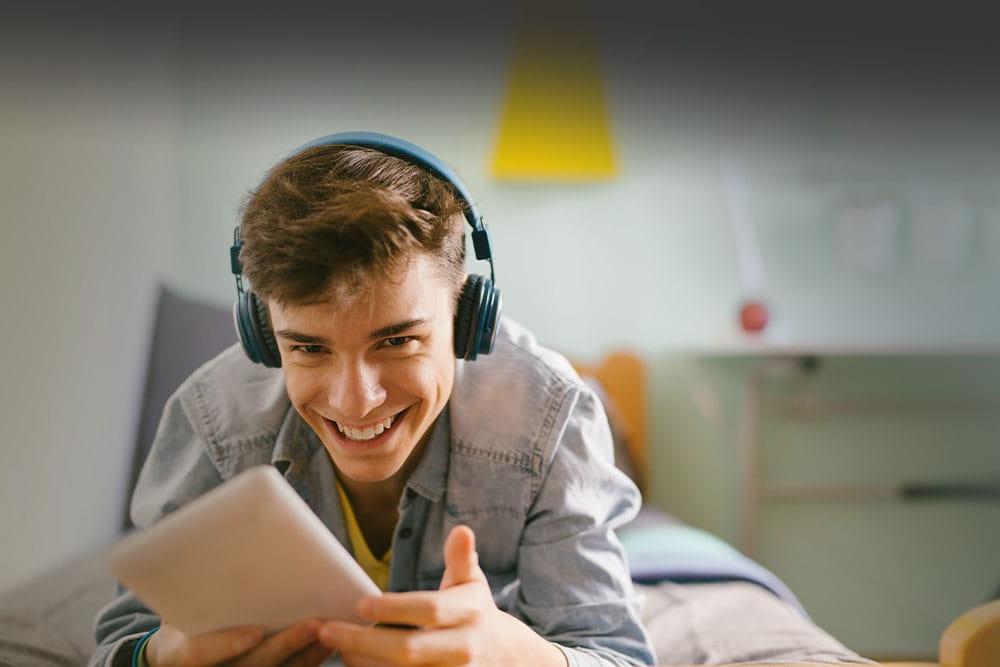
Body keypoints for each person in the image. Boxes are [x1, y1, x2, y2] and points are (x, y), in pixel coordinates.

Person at [90, 133, 655, 667]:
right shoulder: (212, 419)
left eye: (397, 340)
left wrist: (522, 657)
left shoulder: (548, 415)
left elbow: (613, 652)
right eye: (309, 348)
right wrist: (159, 656)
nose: (356, 401)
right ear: (264, 337)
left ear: (466, 319)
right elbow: (124, 638)